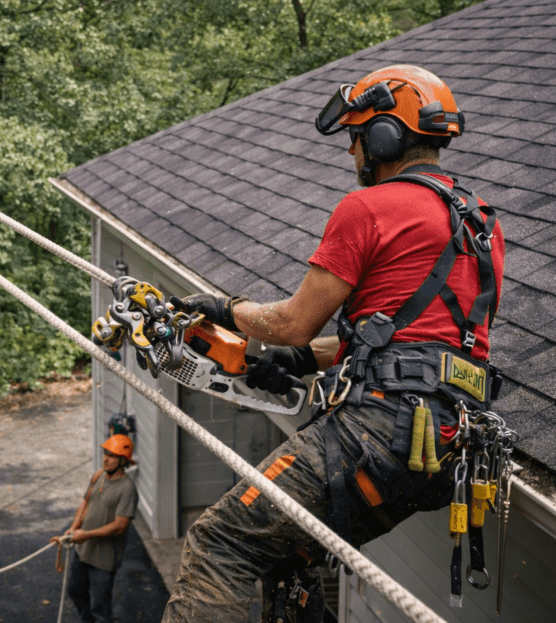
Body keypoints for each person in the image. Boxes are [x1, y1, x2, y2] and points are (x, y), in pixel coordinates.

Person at [160, 65, 506, 622]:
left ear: (384, 136)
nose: (352, 151)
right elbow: (410, 345)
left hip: (378, 433)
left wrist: (227, 309)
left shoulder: (366, 209)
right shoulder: (479, 223)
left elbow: (293, 320)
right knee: (288, 553)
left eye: (357, 136)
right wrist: (297, 361)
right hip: (444, 453)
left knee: (221, 542)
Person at [51, 433, 139, 623]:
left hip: (104, 560)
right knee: (75, 591)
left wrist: (86, 535)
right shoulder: (98, 476)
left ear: (123, 461)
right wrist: (73, 528)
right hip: (83, 551)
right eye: (105, 453)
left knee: (100, 607)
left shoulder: (127, 489)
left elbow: (119, 527)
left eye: (112, 455)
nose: (106, 459)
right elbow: (85, 503)